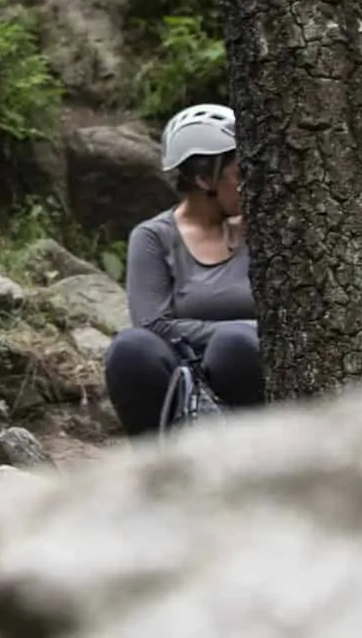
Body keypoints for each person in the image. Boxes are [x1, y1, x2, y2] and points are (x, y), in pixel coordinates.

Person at [104, 104, 262, 435]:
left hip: (254, 371)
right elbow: (154, 324)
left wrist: (243, 335)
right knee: (130, 348)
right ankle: (160, 467)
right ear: (204, 177)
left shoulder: (264, 228)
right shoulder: (152, 238)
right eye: (240, 173)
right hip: (184, 368)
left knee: (234, 347)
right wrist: (247, 327)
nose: (251, 183)